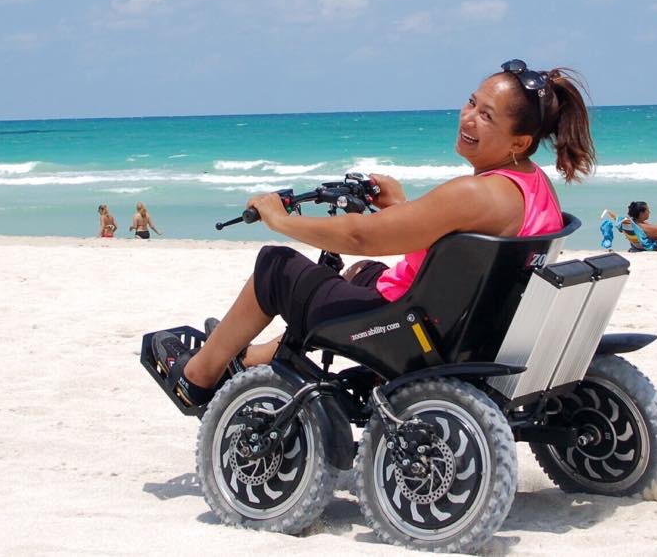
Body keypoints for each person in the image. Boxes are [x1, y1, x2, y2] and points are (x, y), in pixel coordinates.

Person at [153, 58, 597, 407]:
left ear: (519, 141)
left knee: (276, 268)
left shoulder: (476, 193)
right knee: (360, 273)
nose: (468, 118)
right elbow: (452, 245)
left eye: (487, 116)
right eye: (471, 102)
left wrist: (279, 219)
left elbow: (362, 237)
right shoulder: (531, 186)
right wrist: (402, 207)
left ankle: (197, 378)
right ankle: (249, 358)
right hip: (466, 327)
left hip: (415, 333)